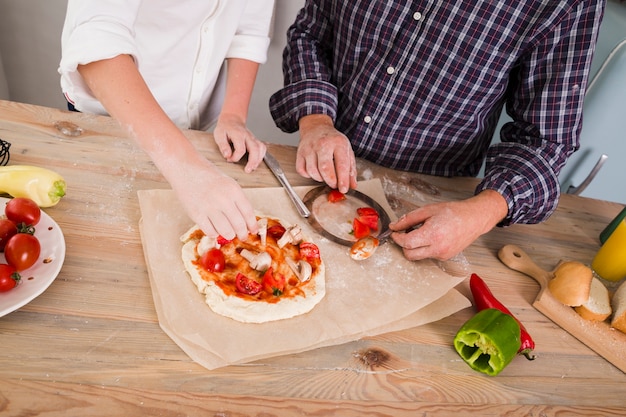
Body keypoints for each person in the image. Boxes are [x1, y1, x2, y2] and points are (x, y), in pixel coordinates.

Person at [270, 0, 606, 261]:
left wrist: (481, 212)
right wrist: (316, 120)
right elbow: (311, 34)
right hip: (313, 166)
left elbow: (544, 139)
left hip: (430, 209)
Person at [59, 1, 275, 241]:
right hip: (112, 118)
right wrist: (188, 169)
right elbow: (96, 42)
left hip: (194, 130)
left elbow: (249, 27)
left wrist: (234, 115)